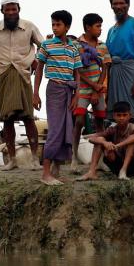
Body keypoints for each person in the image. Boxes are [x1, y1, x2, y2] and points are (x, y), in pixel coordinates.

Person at [0, 0, 44, 170]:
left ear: (19, 9)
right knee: (7, 118)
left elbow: (43, 46)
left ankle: (35, 159)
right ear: (2, 11)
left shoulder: (29, 27)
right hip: (4, 75)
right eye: (7, 10)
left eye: (14, 9)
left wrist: (36, 60)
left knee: (28, 117)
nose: (11, 12)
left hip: (24, 76)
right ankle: (12, 159)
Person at [33, 10, 82, 186]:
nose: (55, 27)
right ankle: (45, 173)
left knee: (66, 130)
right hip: (54, 89)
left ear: (67, 27)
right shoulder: (47, 45)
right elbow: (39, 69)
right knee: (54, 130)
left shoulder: (73, 48)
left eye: (58, 24)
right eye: (53, 24)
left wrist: (77, 94)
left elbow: (77, 72)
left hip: (69, 91)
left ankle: (56, 171)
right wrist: (35, 92)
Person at [74, 13, 112, 154]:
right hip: (82, 89)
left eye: (100, 26)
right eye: (98, 26)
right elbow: (77, 70)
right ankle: (74, 156)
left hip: (98, 90)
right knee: (78, 122)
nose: (100, 29)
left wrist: (97, 89)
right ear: (88, 27)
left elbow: (105, 68)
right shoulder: (77, 45)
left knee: (100, 122)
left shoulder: (102, 46)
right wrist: (92, 85)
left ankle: (100, 157)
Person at [82, 102, 134, 181]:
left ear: (130, 116)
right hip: (117, 166)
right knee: (100, 140)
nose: (121, 118)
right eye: (118, 115)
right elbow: (92, 138)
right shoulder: (112, 129)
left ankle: (123, 171)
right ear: (114, 116)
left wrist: (117, 145)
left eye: (124, 115)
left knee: (132, 141)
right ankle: (91, 172)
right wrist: (104, 143)